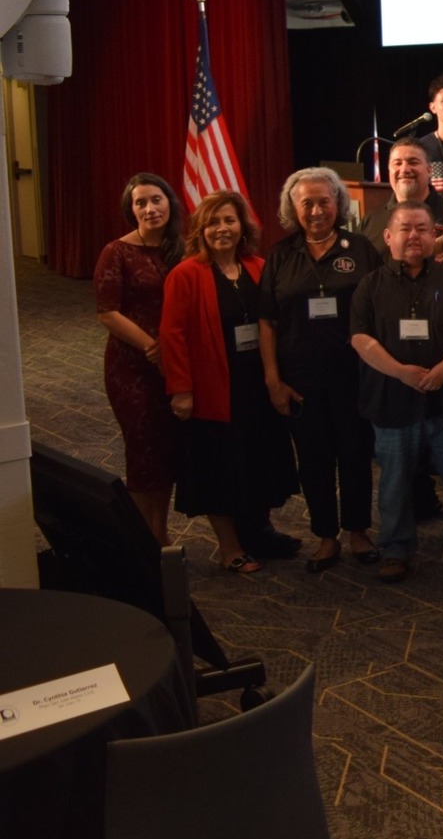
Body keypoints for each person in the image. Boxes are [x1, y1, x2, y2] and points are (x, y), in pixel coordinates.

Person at [160, 189, 298, 571]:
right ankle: (230, 547)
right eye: (214, 222)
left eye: (230, 221)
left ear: (243, 226)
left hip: (257, 384)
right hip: (213, 390)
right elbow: (172, 336)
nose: (223, 229)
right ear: (200, 229)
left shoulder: (258, 266)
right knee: (220, 468)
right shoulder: (185, 275)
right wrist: (182, 390)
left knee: (257, 461)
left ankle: (259, 531)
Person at [350, 202, 443, 582]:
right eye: (406, 229)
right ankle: (395, 549)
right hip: (392, 401)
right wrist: (400, 372)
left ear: (434, 235)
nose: (414, 236)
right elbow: (360, 338)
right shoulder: (370, 284)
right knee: (393, 482)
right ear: (389, 237)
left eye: (423, 229)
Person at [257, 167, 377, 572]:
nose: (316, 209)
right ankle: (326, 536)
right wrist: (273, 381)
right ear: (293, 208)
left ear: (338, 203)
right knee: (314, 458)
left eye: (324, 200)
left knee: (356, 454)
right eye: (306, 202)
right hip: (300, 379)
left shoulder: (360, 248)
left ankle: (359, 530)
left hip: (354, 376)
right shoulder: (280, 255)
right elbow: (267, 323)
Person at [94, 173, 184, 543]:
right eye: (140, 202)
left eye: (156, 200)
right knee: (144, 450)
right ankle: (145, 541)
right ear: (130, 210)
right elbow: (107, 312)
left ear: (169, 203)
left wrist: (171, 352)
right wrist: (153, 347)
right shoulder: (117, 251)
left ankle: (157, 534)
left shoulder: (183, 247)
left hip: (177, 364)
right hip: (132, 367)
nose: (150, 208)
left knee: (167, 452)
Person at [365, 140, 443, 256]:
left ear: (429, 170)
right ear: (389, 170)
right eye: (397, 163)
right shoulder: (370, 221)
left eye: (413, 162)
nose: (404, 170)